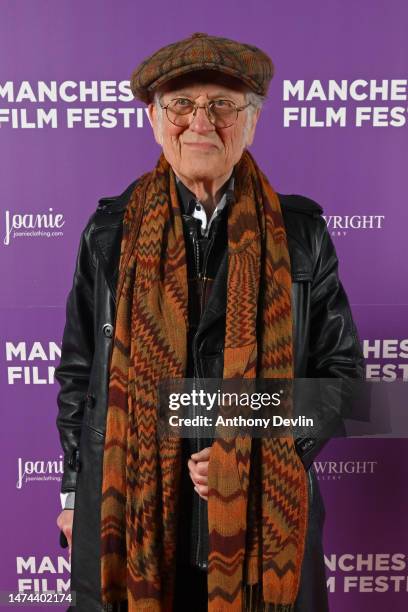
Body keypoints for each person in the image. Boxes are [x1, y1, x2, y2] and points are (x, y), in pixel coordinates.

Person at [55, 33, 364, 611]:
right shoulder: (108, 235)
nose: (201, 121)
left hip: (262, 520)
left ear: (251, 122)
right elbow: (79, 376)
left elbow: (347, 383)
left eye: (223, 105)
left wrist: (247, 437)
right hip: (131, 517)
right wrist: (74, 490)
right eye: (181, 104)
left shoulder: (302, 235)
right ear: (154, 119)